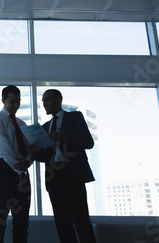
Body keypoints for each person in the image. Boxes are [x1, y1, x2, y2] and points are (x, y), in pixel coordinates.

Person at [36, 89, 96, 243]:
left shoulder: (74, 117)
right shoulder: (45, 127)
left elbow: (88, 142)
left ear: (58, 100)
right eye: (43, 101)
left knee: (81, 220)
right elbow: (44, 156)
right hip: (54, 178)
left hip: (73, 175)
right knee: (62, 223)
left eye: (47, 100)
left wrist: (66, 137)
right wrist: (34, 152)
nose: (44, 104)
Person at [0, 85, 33, 243]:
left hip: (23, 172)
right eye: (11, 101)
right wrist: (19, 166)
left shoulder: (22, 124)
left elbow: (30, 149)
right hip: (5, 171)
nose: (16, 105)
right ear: (3, 100)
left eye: (18, 101)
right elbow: (4, 147)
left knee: (22, 222)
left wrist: (28, 162)